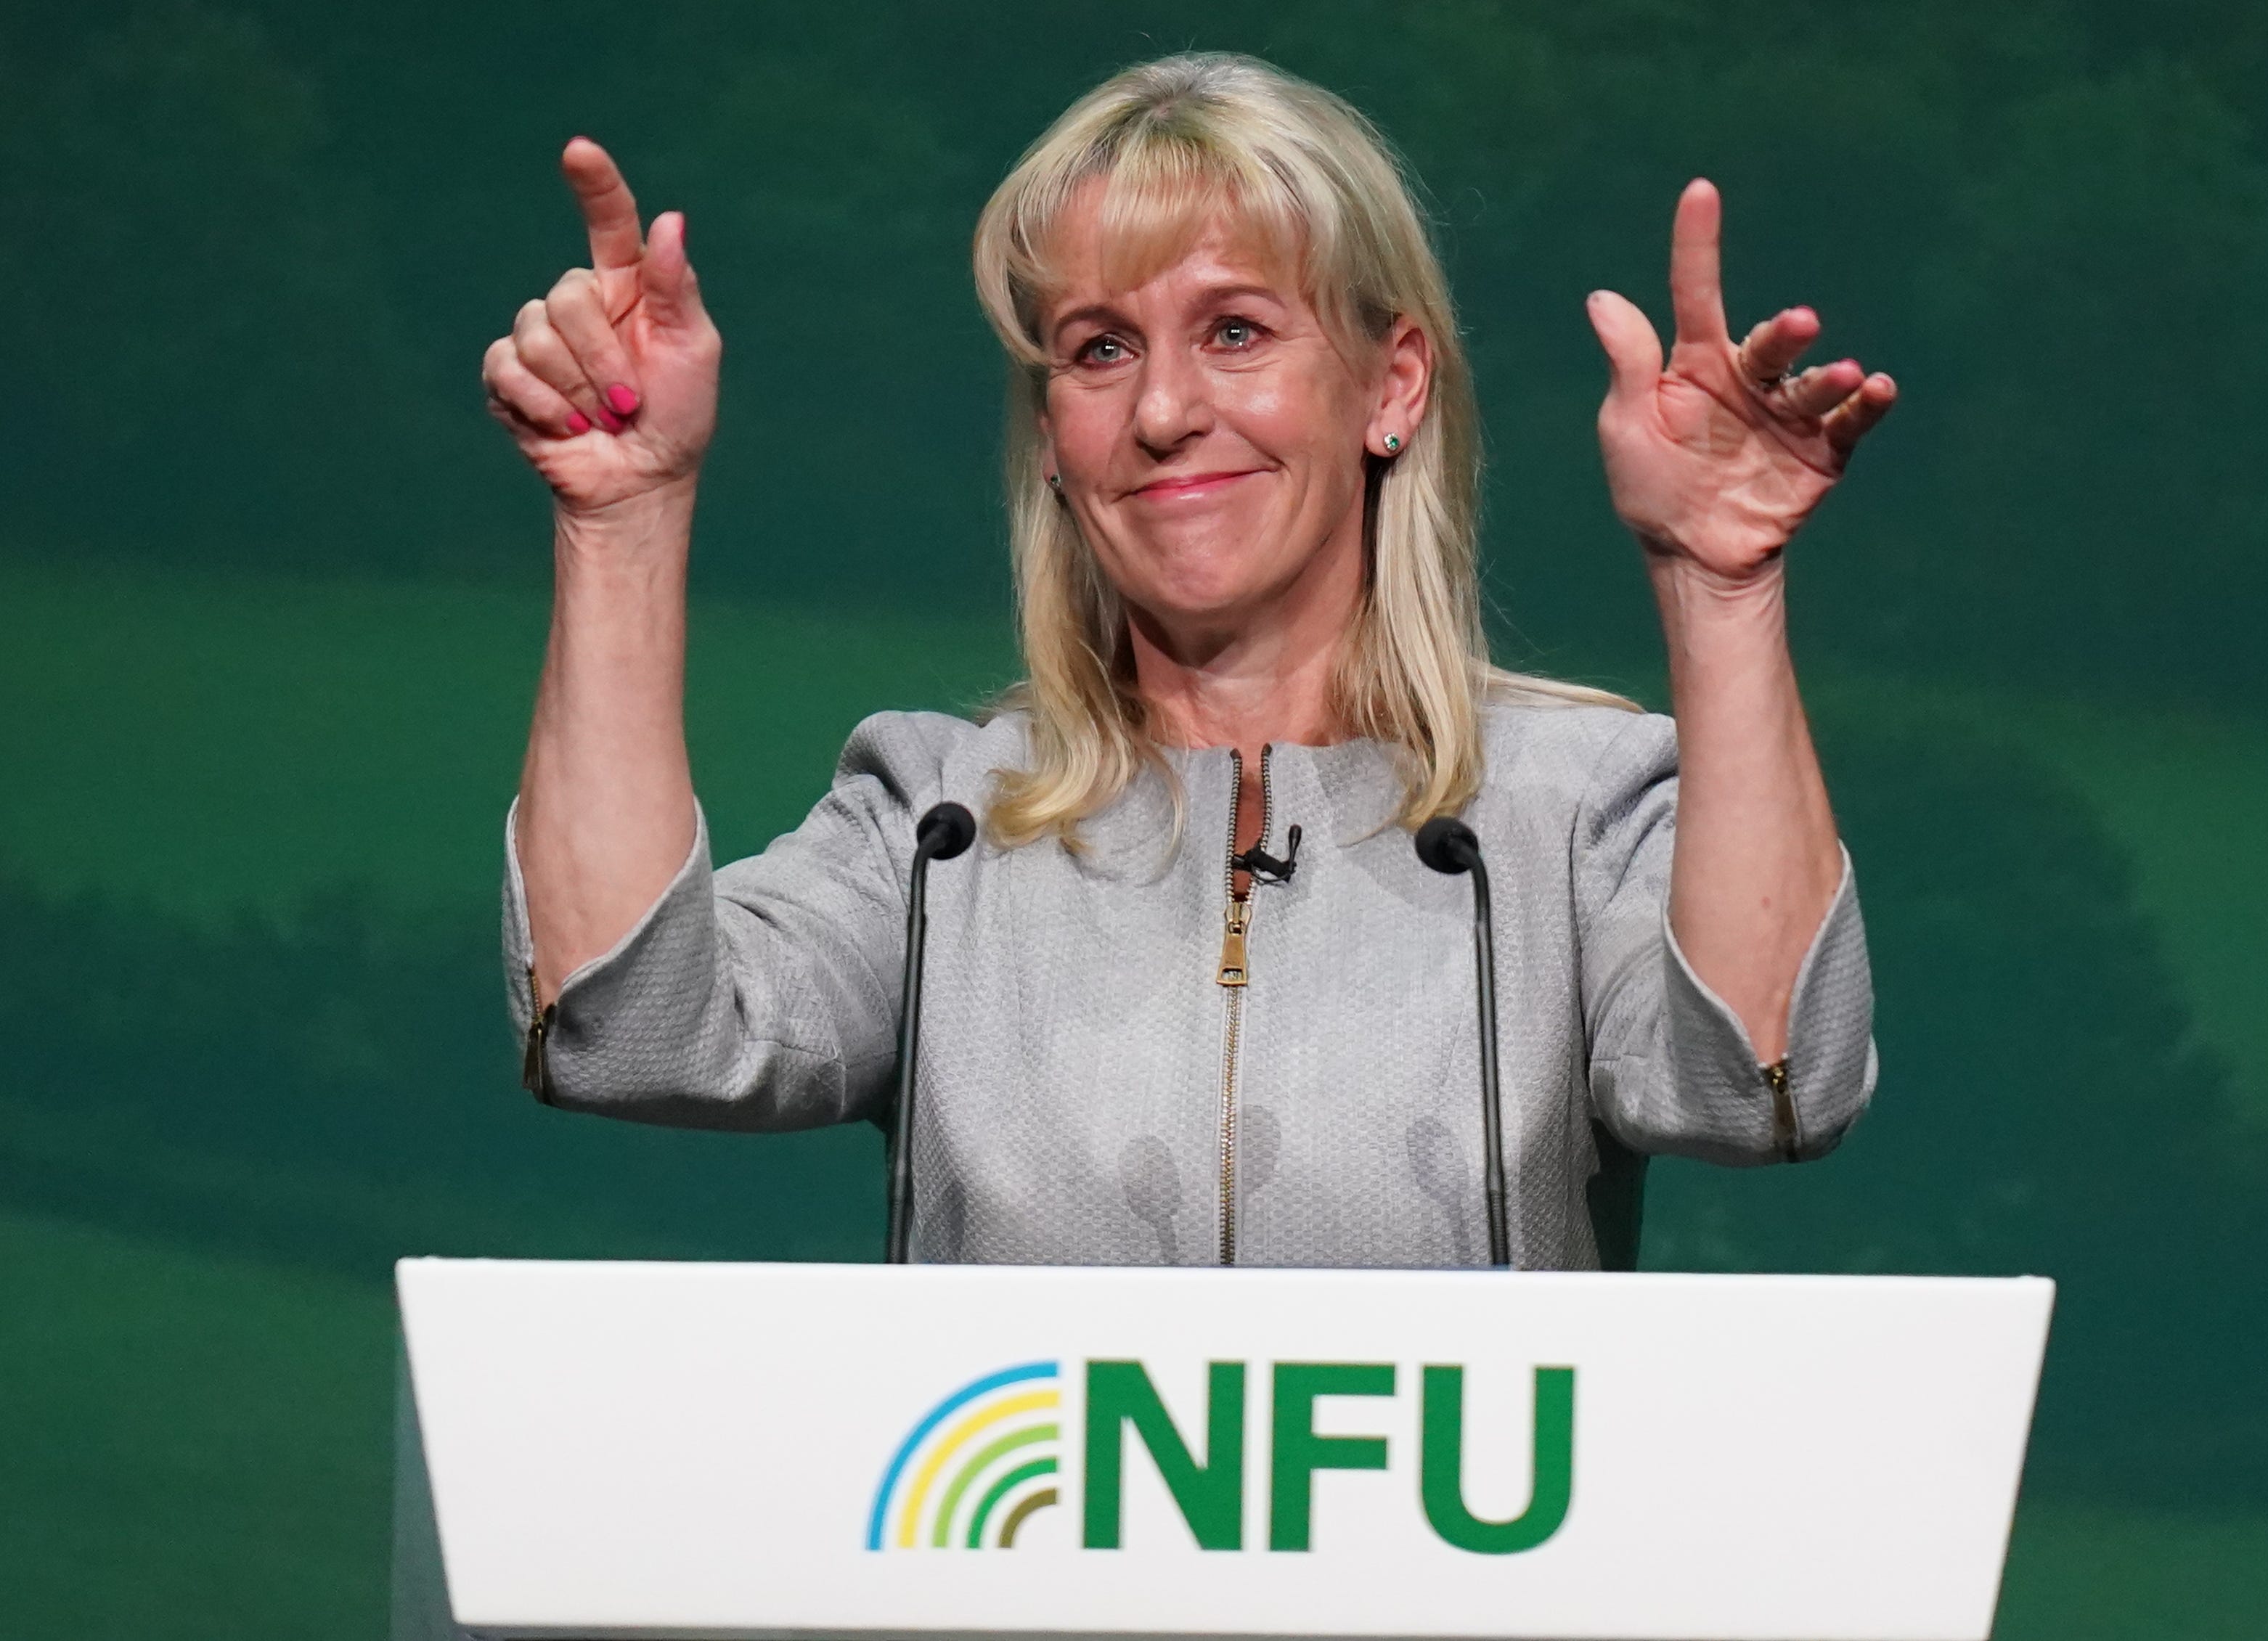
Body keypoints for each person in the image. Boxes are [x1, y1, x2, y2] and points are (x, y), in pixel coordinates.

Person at [484, 53, 1888, 1269]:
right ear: (1052, 431)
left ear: (1390, 385)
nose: (1162, 408)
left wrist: (1721, 584)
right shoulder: (937, 820)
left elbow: (1761, 1084)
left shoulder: (1577, 810)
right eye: (1099, 349)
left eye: (1234, 330)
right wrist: (623, 513)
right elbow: (628, 1028)